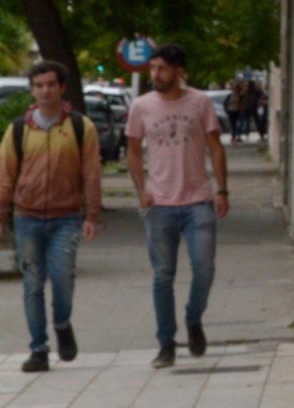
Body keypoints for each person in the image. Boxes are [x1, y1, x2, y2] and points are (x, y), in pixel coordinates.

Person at [125, 44, 229, 369]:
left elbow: (215, 147)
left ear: (179, 71)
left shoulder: (200, 102)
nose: (155, 74)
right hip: (159, 203)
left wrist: (222, 190)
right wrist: (141, 190)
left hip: (198, 200)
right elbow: (132, 150)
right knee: (162, 276)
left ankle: (193, 318)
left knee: (205, 269)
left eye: (162, 69)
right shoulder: (141, 106)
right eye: (153, 68)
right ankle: (166, 343)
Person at [0, 60, 102, 373]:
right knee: (32, 284)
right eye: (39, 85)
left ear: (62, 87)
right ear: (32, 90)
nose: (45, 91)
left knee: (62, 278)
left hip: (66, 217)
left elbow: (91, 174)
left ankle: (61, 323)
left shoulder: (81, 127)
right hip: (27, 218)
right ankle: (38, 349)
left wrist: (92, 214)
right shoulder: (18, 130)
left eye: (50, 84)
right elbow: (5, 177)